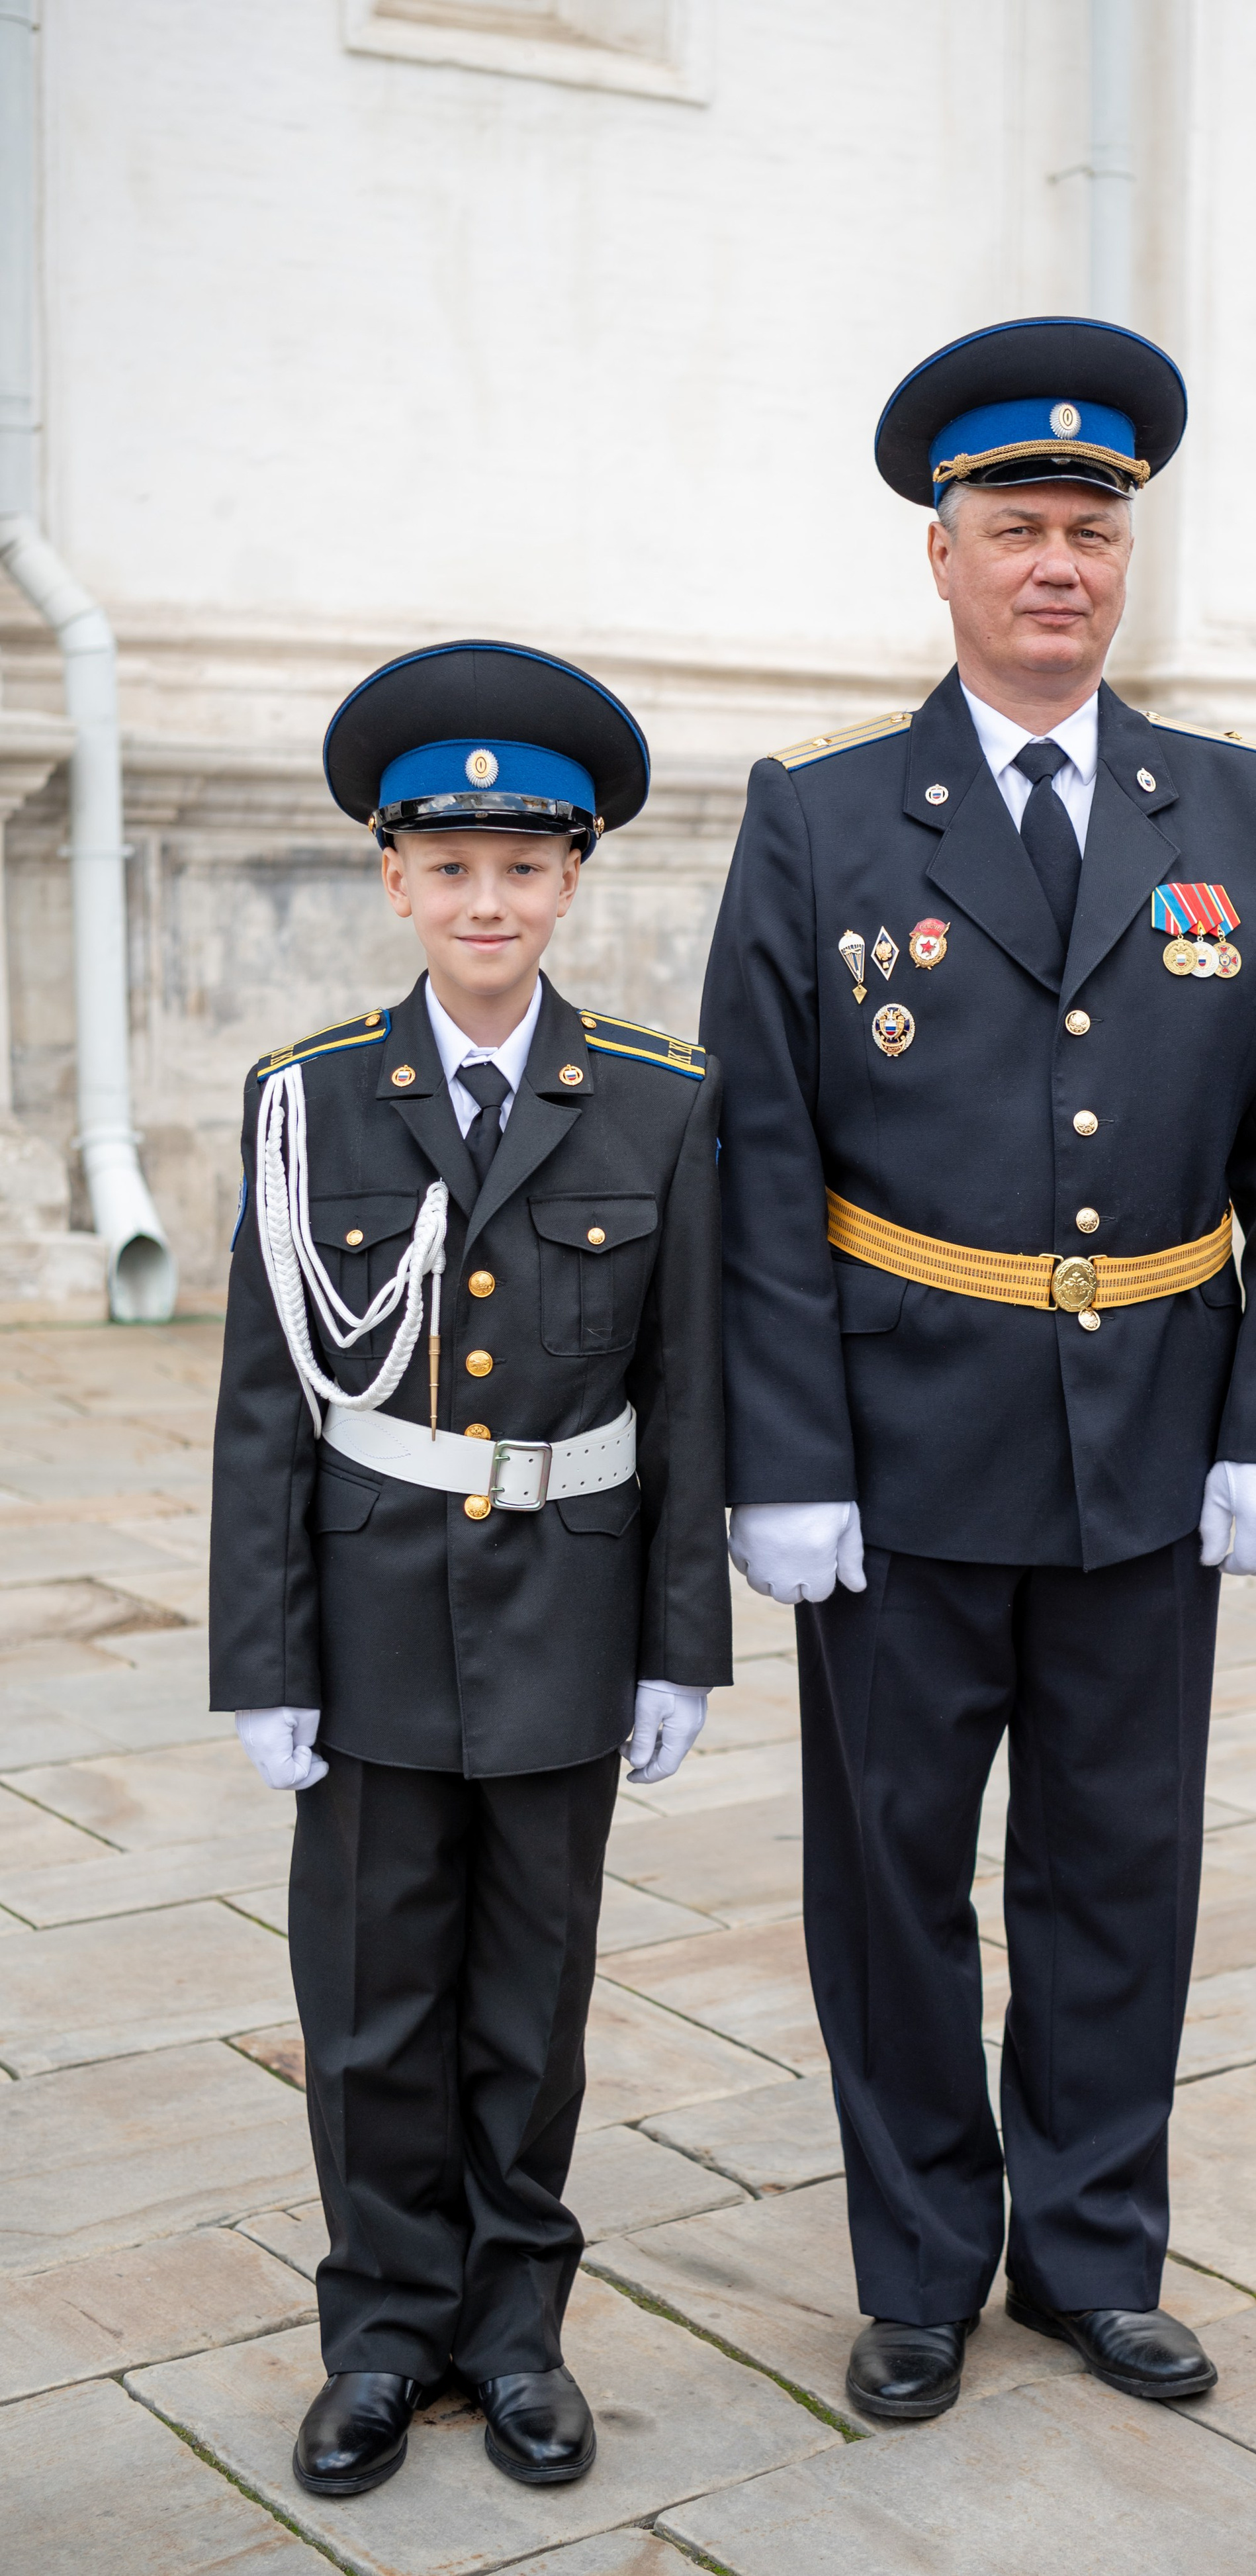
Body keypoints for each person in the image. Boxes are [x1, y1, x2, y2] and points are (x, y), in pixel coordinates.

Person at [699, 318, 1256, 2423]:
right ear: (944, 554)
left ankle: (1091, 2251)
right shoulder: (820, 816)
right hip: (899, 1445)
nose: (1058, 562)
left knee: (1118, 1868)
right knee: (891, 1873)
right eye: (1016, 527)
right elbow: (758, 1156)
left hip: (1151, 1440)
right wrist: (780, 1454)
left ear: (1124, 556)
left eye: (1092, 528)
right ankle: (917, 2266)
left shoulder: (1241, 806)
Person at [209, 641, 731, 2497]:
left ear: (573, 879)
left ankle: (514, 2334)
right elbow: (264, 1406)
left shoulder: (660, 1098)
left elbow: (687, 1392)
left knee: (529, 2004)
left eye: (523, 866)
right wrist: (263, 1660)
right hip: (365, 1623)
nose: (487, 900)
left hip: (570, 1618)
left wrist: (680, 1643)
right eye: (449, 866)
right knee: (368, 2008)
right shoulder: (308, 1098)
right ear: (394, 881)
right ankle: (377, 2335)